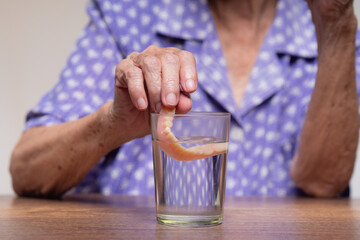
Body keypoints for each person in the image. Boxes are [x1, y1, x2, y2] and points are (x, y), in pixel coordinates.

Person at [10, 0, 360, 198]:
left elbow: (322, 183)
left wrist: (337, 26)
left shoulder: (331, 20)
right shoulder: (127, 13)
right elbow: (27, 170)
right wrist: (112, 124)